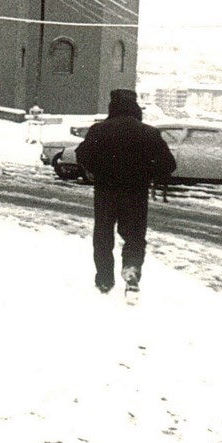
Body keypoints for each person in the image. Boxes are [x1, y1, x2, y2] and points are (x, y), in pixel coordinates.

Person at [73, 89, 176, 301]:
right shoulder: (149, 133)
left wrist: (97, 170)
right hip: (136, 193)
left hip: (105, 191)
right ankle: (131, 268)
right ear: (135, 107)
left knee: (103, 234)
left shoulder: (99, 130)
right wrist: (148, 173)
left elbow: (81, 155)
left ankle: (104, 279)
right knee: (135, 235)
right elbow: (168, 165)